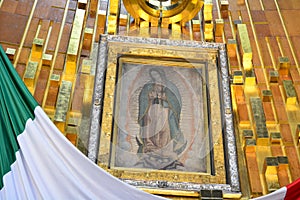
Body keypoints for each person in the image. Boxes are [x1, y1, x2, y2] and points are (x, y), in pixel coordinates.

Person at [136, 68, 186, 170]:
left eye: (157, 76)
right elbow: (143, 98)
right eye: (153, 76)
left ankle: (164, 148)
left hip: (164, 111)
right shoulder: (149, 86)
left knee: (164, 129)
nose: (156, 78)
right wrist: (149, 96)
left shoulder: (170, 86)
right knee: (152, 129)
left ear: (161, 74)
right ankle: (151, 146)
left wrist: (165, 97)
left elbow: (176, 101)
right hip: (151, 111)